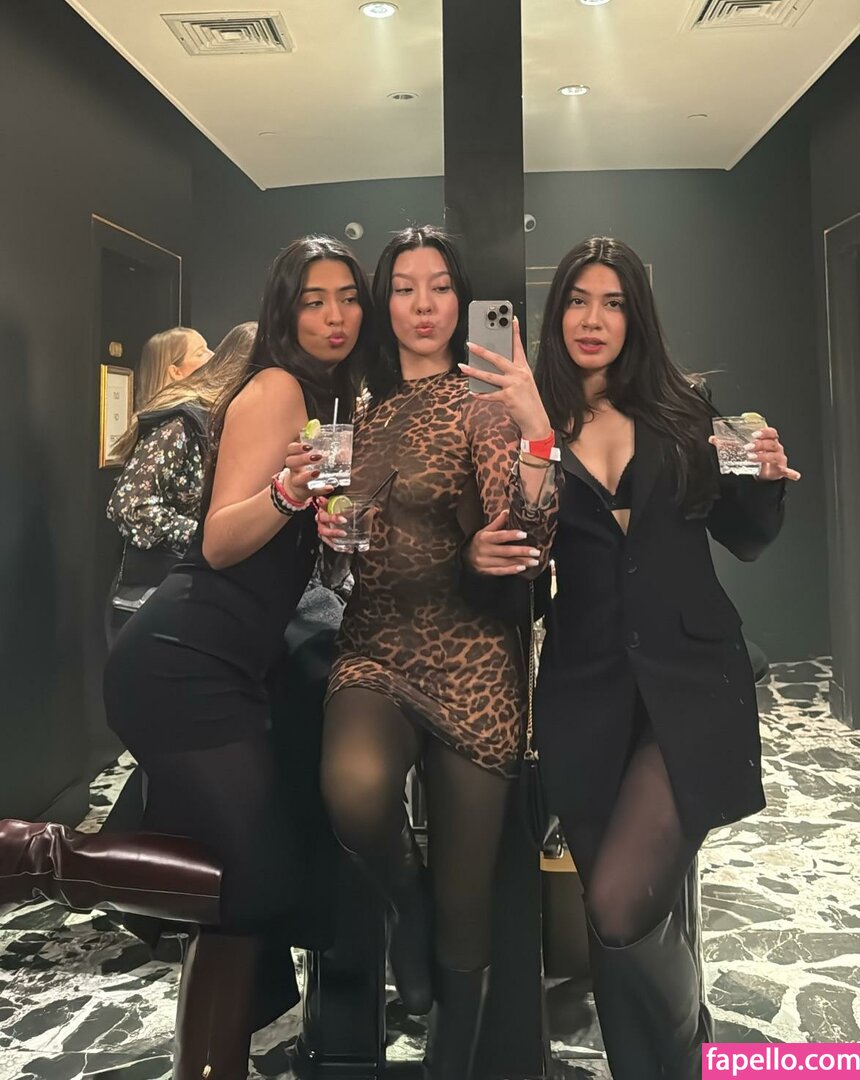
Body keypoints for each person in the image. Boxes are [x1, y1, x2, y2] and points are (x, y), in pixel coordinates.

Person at [0, 235, 373, 1080]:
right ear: (284, 311)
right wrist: (289, 492)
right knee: (261, 878)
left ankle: (214, 1057)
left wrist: (332, 527)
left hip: (228, 666)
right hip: (181, 663)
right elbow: (218, 539)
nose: (335, 316)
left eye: (348, 297)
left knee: (249, 881)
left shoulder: (328, 398)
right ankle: (40, 854)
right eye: (313, 300)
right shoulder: (277, 389)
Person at [462, 236, 800, 1080]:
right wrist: (534, 442)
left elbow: (745, 537)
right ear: (556, 314)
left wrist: (763, 480)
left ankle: (687, 1051)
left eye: (613, 303)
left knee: (617, 905)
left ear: (635, 315)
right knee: (620, 922)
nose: (594, 319)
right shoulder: (527, 420)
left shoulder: (687, 407)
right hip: (585, 690)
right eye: (579, 300)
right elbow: (524, 562)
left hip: (694, 682)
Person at [315, 225, 558, 1080]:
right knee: (355, 791)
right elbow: (349, 540)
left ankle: (446, 1066)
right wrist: (328, 531)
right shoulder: (363, 411)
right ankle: (401, 908)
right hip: (375, 644)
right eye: (405, 287)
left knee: (466, 907)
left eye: (440, 286)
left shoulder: (486, 401)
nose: (424, 305)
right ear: (384, 303)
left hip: (473, 663)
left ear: (462, 300)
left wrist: (533, 445)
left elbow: (530, 532)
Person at [105, 322, 257, 644]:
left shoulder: (219, 425)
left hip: (191, 600)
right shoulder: (182, 424)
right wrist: (206, 536)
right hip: (155, 605)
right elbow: (129, 505)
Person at [133, 326, 212, 411]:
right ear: (175, 372)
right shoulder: (186, 414)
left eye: (207, 348)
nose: (212, 355)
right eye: (200, 354)